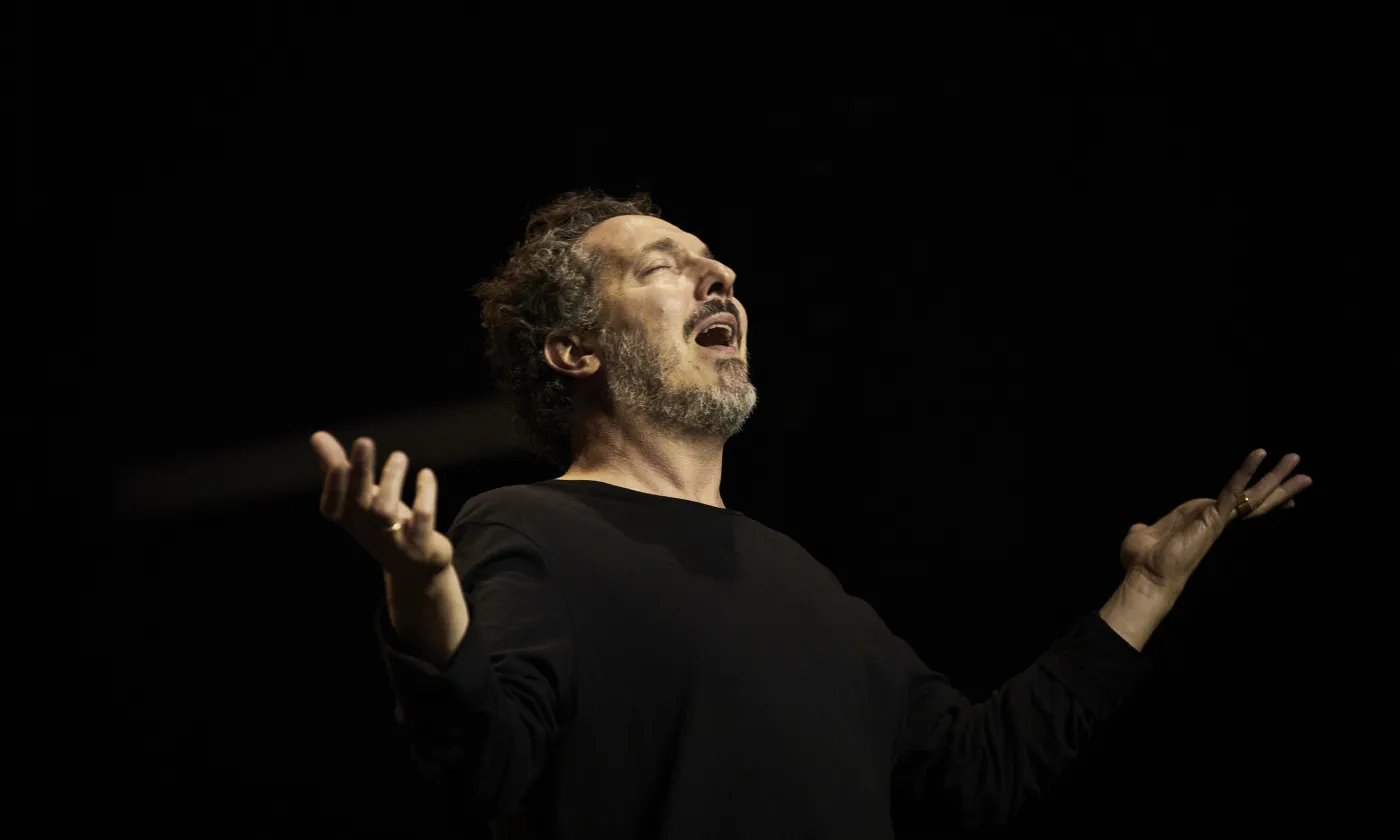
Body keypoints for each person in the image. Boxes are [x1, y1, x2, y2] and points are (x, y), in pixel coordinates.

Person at [309, 190, 1312, 838]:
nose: (720, 276)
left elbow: (974, 774)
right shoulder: (532, 529)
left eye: (713, 261)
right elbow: (483, 766)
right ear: (575, 351)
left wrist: (1146, 589)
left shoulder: (799, 579)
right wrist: (422, 588)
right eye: (661, 266)